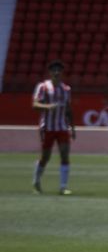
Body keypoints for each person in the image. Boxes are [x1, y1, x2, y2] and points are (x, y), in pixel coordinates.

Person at [31, 60, 73, 195]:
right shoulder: (43, 87)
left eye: (59, 70)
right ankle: (36, 181)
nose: (56, 72)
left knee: (65, 154)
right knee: (45, 157)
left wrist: (73, 127)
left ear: (62, 73)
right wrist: (48, 107)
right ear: (50, 72)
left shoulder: (66, 89)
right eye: (54, 70)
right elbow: (35, 104)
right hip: (47, 127)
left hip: (62, 127)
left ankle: (63, 187)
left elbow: (68, 110)